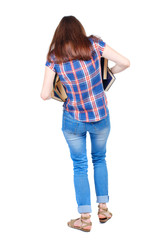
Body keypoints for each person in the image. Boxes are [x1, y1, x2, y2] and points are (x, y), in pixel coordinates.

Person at [40, 15, 130, 232]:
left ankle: (85, 219)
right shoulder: (94, 45)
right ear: (79, 30)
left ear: (59, 35)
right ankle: (103, 209)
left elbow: (44, 94)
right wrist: (106, 74)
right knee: (100, 159)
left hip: (74, 119)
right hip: (101, 115)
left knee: (79, 165)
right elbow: (125, 63)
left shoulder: (55, 57)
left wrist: (63, 90)